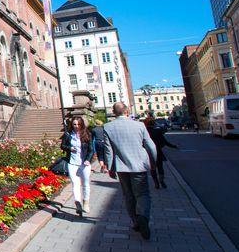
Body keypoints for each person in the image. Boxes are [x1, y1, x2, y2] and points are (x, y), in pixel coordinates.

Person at [103, 102, 157, 240]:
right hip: (139, 165)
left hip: (121, 167)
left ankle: (135, 221)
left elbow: (108, 150)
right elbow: (150, 145)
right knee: (143, 194)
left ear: (114, 112)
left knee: (128, 195)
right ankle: (143, 216)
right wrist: (153, 161)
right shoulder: (139, 125)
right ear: (127, 111)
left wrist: (110, 167)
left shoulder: (108, 127)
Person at [60, 116, 97, 217]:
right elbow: (62, 146)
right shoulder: (68, 135)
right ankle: (78, 204)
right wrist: (70, 148)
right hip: (72, 162)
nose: (76, 126)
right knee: (75, 184)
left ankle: (85, 203)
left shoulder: (87, 134)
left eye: (78, 124)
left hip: (84, 163)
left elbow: (91, 149)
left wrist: (88, 160)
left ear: (82, 125)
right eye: (74, 124)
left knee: (85, 184)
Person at [143, 117, 178, 188]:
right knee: (160, 167)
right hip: (158, 151)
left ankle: (156, 183)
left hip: (148, 153)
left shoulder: (144, 132)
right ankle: (161, 180)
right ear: (154, 123)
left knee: (152, 168)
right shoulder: (157, 131)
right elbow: (165, 141)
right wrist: (174, 146)